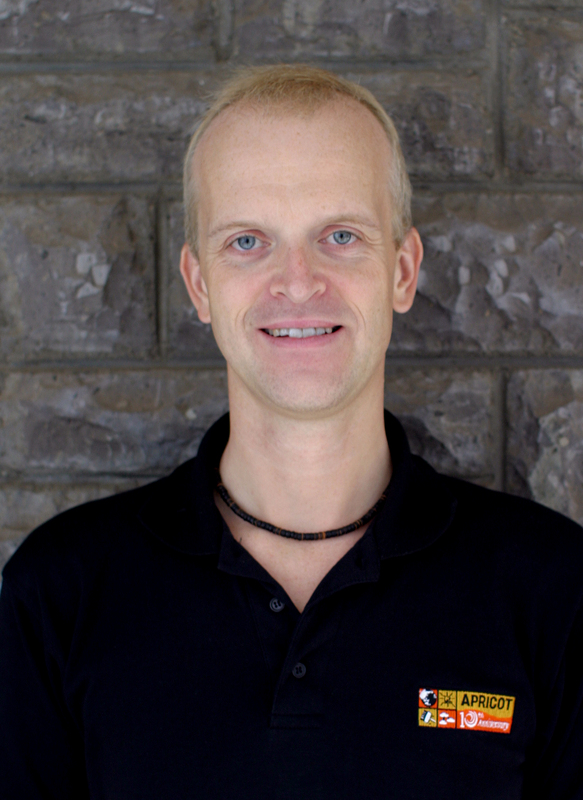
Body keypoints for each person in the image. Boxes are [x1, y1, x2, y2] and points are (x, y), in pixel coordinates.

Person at [1, 65, 582, 799]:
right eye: (248, 241)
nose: (298, 281)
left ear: (402, 272)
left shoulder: (552, 587)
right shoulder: (62, 590)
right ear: (199, 284)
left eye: (340, 235)